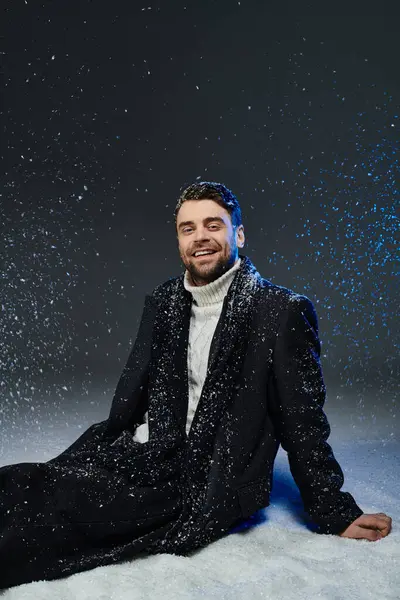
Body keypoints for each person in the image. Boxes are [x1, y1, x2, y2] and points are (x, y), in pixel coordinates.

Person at [0, 181, 392, 589]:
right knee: (26, 480)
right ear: (179, 241)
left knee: (59, 515)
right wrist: (103, 448)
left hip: (202, 478)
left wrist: (335, 510)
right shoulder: (165, 299)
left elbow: (302, 421)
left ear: (238, 234)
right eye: (188, 229)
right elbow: (132, 394)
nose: (200, 237)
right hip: (147, 451)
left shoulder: (280, 311)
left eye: (213, 225)